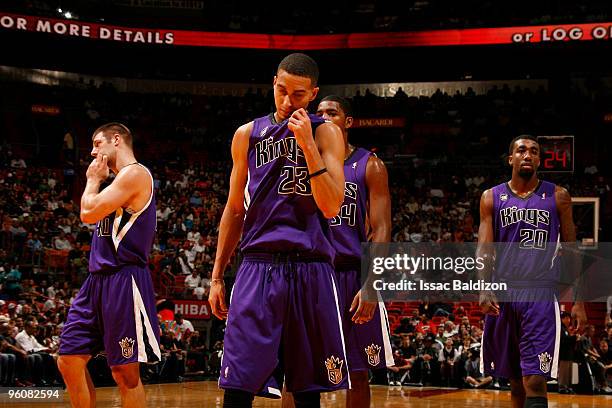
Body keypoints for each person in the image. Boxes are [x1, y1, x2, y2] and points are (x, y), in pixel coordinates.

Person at [208, 53, 347, 408]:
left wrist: (308, 147)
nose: (287, 102)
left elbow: (331, 206)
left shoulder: (327, 132)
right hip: (257, 266)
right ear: (273, 82)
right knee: (237, 386)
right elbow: (235, 208)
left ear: (313, 93)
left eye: (298, 95)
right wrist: (217, 277)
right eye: (281, 91)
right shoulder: (247, 134)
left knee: (307, 392)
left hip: (310, 267)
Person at [478, 135, 587, 408]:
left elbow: (572, 252)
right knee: (516, 382)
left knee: (535, 380)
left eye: (534, 151)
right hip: (504, 292)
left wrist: (579, 300)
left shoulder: (558, 196)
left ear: (539, 160)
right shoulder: (491, 197)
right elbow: (484, 247)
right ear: (510, 158)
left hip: (539, 292)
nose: (528, 155)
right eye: (522, 150)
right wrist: (483, 285)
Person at [58, 123, 161, 408]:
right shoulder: (116, 183)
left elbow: (88, 212)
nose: (92, 151)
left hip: (124, 279)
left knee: (124, 373)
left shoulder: (136, 174)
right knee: (69, 359)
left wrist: (92, 181)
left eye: (97, 143)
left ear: (116, 140)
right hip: (96, 281)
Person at [316, 95, 394, 407]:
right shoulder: (302, 162)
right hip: (312, 272)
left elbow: (381, 229)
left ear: (348, 122)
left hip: (350, 274)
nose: (323, 117)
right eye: (318, 113)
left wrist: (372, 283)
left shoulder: (369, 165)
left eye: (331, 112)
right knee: (298, 370)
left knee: (358, 372)